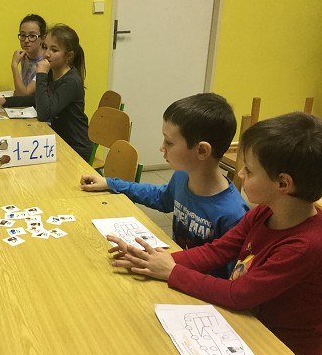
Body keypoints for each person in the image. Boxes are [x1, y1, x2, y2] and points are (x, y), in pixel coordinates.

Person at [107, 112, 322, 355]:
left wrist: (172, 271)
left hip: (283, 351)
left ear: (283, 183)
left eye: (249, 170)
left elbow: (238, 294)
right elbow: (219, 250)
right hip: (248, 323)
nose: (240, 172)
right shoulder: (265, 212)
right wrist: (155, 260)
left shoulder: (305, 246)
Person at [81, 93, 249, 278]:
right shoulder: (182, 176)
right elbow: (161, 198)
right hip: (170, 270)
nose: (162, 147)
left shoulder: (234, 214)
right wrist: (111, 183)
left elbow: (230, 281)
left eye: (169, 142)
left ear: (202, 150)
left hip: (193, 286)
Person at [0, 24, 93, 162]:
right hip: (57, 138)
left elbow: (44, 114)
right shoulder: (52, 73)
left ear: (69, 56)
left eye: (54, 50)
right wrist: (5, 101)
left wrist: (41, 75)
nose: (46, 54)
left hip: (75, 147)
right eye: (45, 47)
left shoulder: (71, 81)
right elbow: (36, 99)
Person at [11, 14, 46, 96]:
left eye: (32, 36)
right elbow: (20, 90)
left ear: (43, 38)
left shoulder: (45, 63)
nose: (26, 40)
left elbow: (24, 95)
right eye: (23, 35)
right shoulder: (24, 57)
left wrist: (14, 65)